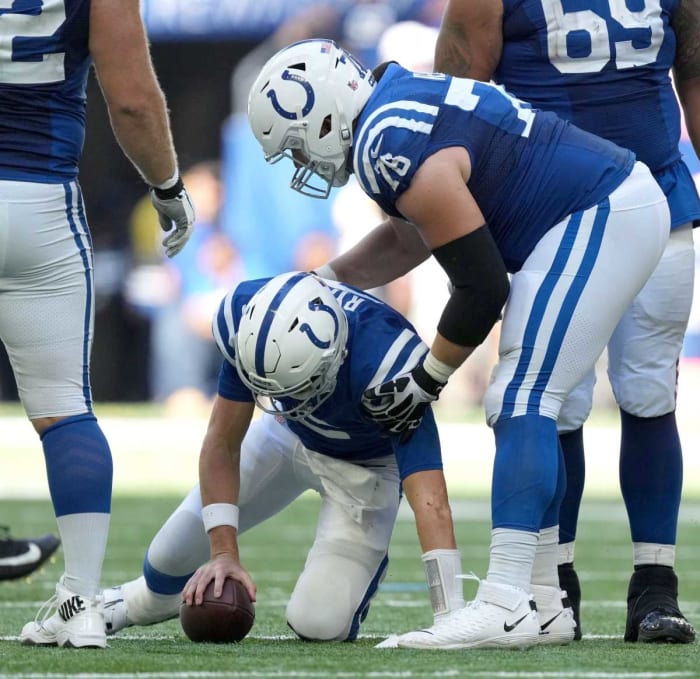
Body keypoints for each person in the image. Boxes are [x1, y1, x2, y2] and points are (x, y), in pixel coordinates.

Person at [246, 39, 670, 650]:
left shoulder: (385, 141)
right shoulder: (392, 109)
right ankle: (545, 602)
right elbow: (408, 240)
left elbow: (480, 286)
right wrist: (323, 282)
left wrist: (428, 376)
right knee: (527, 399)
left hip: (600, 211)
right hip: (607, 205)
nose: (301, 162)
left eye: (295, 143)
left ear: (325, 112)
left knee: (521, 397)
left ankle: (505, 601)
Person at [433, 0, 700, 644]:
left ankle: (655, 587)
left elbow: (693, 68)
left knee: (647, 391)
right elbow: (458, 99)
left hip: (659, 197)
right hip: (554, 208)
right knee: (556, 402)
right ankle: (555, 587)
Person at [99, 271, 494, 644]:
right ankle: (137, 600)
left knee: (320, 622)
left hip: (365, 470)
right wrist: (223, 553)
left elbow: (432, 499)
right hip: (282, 433)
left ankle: (365, 570)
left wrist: (450, 616)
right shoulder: (250, 317)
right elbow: (222, 442)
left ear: (335, 357)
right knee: (168, 557)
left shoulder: (388, 364)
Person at [2, 0, 195, 649]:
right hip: (40, 204)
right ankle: (80, 598)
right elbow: (134, 100)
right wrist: (167, 187)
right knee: (65, 411)